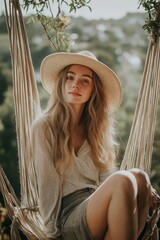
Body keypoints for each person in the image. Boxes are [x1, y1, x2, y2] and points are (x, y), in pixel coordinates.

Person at [31, 51, 152, 240]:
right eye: (70, 77)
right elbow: (48, 182)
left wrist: (138, 187)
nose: (75, 84)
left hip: (98, 207)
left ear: (93, 89)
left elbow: (105, 175)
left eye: (85, 80)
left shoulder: (96, 128)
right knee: (123, 179)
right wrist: (51, 234)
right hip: (69, 216)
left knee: (140, 177)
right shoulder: (44, 127)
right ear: (62, 83)